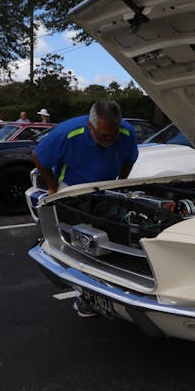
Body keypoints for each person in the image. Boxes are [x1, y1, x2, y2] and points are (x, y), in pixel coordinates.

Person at [33, 100, 139, 316]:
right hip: (73, 188)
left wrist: (121, 183)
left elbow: (130, 157)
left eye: (113, 135)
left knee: (109, 238)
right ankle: (85, 296)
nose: (109, 141)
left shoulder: (126, 132)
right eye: (102, 136)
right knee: (81, 243)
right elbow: (39, 157)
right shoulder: (67, 133)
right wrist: (53, 187)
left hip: (106, 188)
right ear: (90, 127)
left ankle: (114, 286)